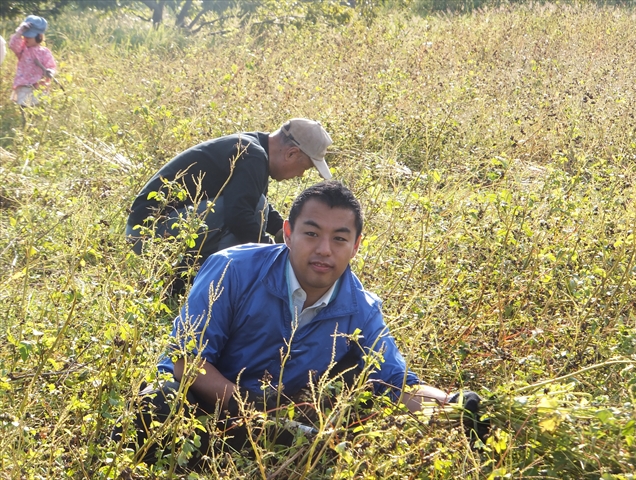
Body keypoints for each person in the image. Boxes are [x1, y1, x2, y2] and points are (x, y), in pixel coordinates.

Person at [113, 181, 485, 466]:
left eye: (340, 239)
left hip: (273, 421)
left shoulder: (361, 309)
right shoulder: (233, 269)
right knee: (154, 406)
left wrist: (454, 405)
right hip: (198, 400)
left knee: (330, 447)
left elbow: (396, 383)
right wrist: (253, 416)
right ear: (288, 234)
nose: (324, 249)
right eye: (311, 233)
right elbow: (186, 361)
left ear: (356, 247)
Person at [125, 118, 333, 267]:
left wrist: (285, 232)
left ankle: (190, 276)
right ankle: (221, 282)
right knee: (250, 212)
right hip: (148, 234)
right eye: (304, 168)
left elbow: (250, 200)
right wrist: (274, 254)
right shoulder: (252, 156)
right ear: (291, 153)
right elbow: (240, 215)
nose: (300, 175)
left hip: (156, 229)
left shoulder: (254, 149)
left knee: (256, 206)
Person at [9, 15, 56, 107]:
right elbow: (13, 45)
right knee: (24, 107)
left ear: (39, 37)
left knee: (37, 108)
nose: (26, 38)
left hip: (39, 86)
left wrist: (50, 71)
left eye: (29, 36)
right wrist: (20, 31)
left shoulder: (44, 52)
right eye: (25, 36)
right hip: (24, 85)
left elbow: (51, 65)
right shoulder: (22, 50)